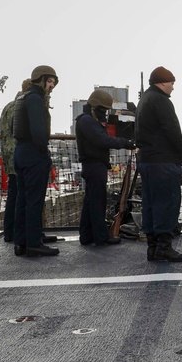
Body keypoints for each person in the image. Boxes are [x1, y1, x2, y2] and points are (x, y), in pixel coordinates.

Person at [136, 66, 182, 262]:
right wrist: (180, 153)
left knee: (150, 204)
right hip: (163, 162)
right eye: (172, 83)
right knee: (167, 203)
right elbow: (172, 130)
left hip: (147, 161)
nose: (173, 88)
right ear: (163, 82)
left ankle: (153, 248)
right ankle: (165, 247)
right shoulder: (161, 101)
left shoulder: (144, 100)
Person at [76, 90, 135, 247]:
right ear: (95, 108)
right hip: (94, 166)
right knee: (97, 202)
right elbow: (102, 140)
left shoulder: (87, 120)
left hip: (94, 165)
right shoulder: (87, 121)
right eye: (103, 110)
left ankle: (87, 235)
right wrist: (124, 142)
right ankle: (101, 237)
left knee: (90, 202)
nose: (104, 113)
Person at [12, 66, 60, 257]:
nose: (52, 86)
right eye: (49, 81)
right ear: (40, 80)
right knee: (34, 201)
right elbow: (39, 132)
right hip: (33, 154)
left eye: (54, 83)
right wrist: (45, 154)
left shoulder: (22, 98)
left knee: (22, 200)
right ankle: (33, 243)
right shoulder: (35, 99)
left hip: (21, 151)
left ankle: (22, 241)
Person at [0, 79, 31, 245]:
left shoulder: (8, 107)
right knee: (20, 198)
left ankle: (9, 232)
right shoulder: (21, 106)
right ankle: (18, 233)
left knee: (13, 197)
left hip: (9, 158)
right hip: (20, 157)